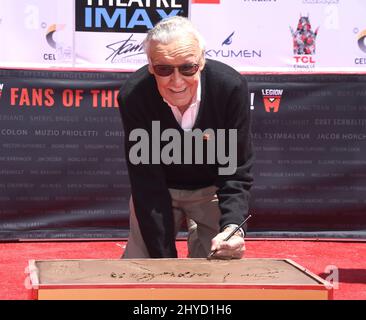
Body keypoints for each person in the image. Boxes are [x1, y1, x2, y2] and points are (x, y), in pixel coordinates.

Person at [117, 16, 254, 259]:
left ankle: (199, 235)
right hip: (159, 189)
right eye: (164, 69)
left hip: (211, 188)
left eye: (188, 67)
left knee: (222, 262)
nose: (177, 81)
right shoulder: (134, 95)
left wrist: (233, 228)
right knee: (143, 270)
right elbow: (146, 180)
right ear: (150, 66)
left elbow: (235, 170)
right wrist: (163, 262)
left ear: (201, 61)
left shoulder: (230, 88)